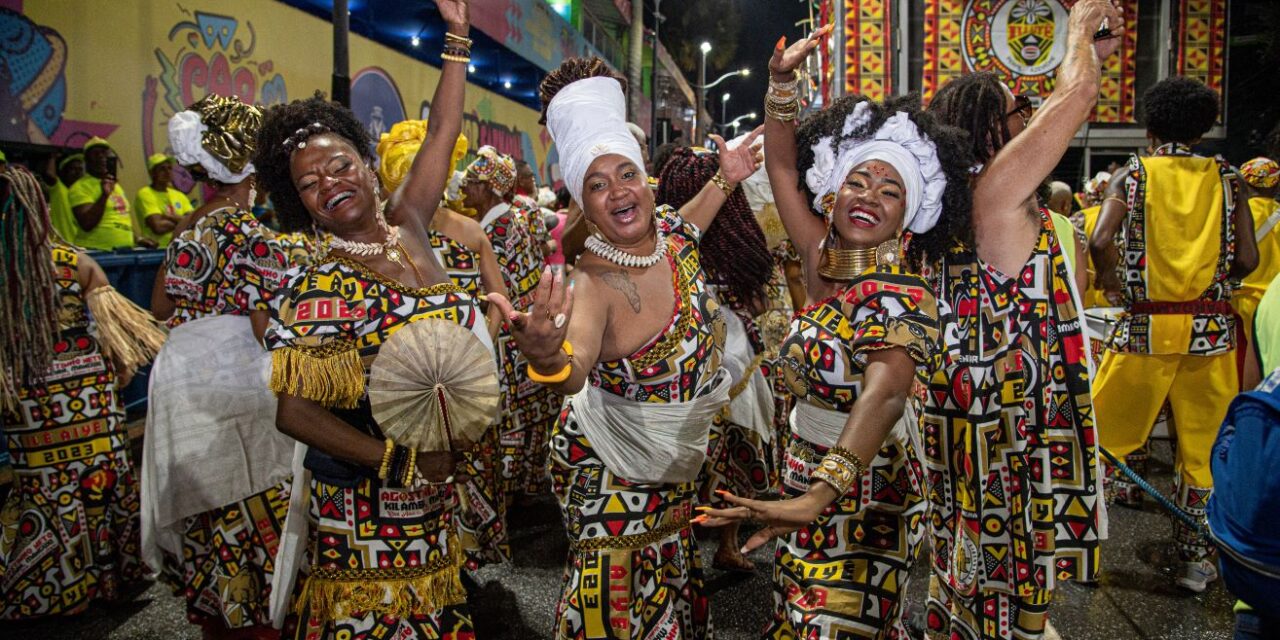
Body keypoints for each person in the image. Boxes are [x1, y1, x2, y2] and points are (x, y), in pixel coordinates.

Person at [702, 27, 976, 635]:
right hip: (801, 471)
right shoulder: (816, 255)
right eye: (857, 181)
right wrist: (780, 84)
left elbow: (885, 393)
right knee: (799, 615)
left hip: (869, 489)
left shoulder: (904, 296)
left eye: (890, 190)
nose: (869, 197)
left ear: (909, 214)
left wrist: (818, 497)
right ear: (833, 190)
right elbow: (778, 162)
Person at [487, 56, 762, 639]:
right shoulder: (593, 283)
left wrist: (728, 175)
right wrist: (544, 357)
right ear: (582, 205)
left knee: (666, 591)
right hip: (612, 482)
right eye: (597, 183)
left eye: (626, 174)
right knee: (615, 610)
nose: (617, 191)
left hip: (676, 480)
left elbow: (691, 221)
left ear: (646, 178)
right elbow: (573, 368)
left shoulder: (670, 238)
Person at [257, 4, 476, 637]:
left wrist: (457, 38)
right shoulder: (318, 283)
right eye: (308, 184)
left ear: (367, 162)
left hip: (435, 495)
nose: (329, 184)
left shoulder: (410, 226)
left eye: (339, 166)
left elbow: (440, 132)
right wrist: (398, 463)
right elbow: (293, 413)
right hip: (364, 501)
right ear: (300, 205)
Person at [924, 1, 1121, 636]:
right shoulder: (997, 187)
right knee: (1016, 544)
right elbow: (1080, 92)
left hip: (977, 403)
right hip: (1008, 412)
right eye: (1016, 111)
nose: (1028, 119)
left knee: (977, 539)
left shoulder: (957, 199)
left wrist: (1092, 50)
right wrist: (1081, 27)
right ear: (987, 132)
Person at [1091, 76, 1259, 592]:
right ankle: (1194, 563)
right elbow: (1248, 258)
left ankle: (1086, 556)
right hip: (1209, 335)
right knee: (1204, 452)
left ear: (1150, 124)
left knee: (1097, 440)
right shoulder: (1228, 179)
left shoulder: (1133, 175)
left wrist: (1113, 282)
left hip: (1145, 328)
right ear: (1205, 125)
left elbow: (1100, 240)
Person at [142, 94, 300, 638]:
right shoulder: (251, 232)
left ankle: (219, 607)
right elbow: (263, 325)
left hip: (184, 378)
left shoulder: (188, 225)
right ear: (251, 167)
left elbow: (162, 308)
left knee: (210, 504)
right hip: (236, 378)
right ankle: (260, 611)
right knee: (257, 493)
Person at [1, 165, 163, 619]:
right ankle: (113, 578)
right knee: (103, 480)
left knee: (44, 486)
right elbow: (117, 337)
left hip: (32, 396)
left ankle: (50, 586)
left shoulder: (6, 268)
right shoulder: (75, 262)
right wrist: (116, 374)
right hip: (89, 393)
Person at [376, 119, 512, 569]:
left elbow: (500, 300)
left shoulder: (471, 233)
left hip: (466, 383)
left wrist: (478, 350)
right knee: (418, 468)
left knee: (467, 466)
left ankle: (461, 558)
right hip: (407, 382)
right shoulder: (384, 238)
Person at [656, 146, 778, 573]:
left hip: (683, 375)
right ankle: (727, 543)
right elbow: (761, 303)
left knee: (685, 467)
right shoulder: (739, 238)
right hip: (736, 369)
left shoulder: (662, 245)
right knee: (731, 461)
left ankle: (678, 548)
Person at [460, 145, 559, 500]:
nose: (464, 189)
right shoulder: (522, 213)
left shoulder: (493, 230)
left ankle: (511, 490)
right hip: (531, 330)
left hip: (507, 335)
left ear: (490, 187)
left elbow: (493, 292)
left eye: (472, 182)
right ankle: (531, 485)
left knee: (511, 416)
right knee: (532, 413)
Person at [1233, 157, 1280, 389]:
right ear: (1275, 186)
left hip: (1237, 299)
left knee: (1238, 360)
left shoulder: (1235, 215)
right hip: (1271, 302)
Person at [68, 137, 141, 250]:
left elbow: (122, 219)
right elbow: (87, 223)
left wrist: (138, 239)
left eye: (104, 153)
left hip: (124, 252)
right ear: (87, 160)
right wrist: (104, 196)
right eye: (96, 154)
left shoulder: (116, 186)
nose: (102, 157)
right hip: (97, 251)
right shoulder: (79, 187)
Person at [134, 154, 194, 247]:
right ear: (152, 173)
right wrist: (181, 221)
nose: (167, 172)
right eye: (162, 169)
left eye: (169, 168)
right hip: (157, 250)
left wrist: (170, 217)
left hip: (181, 248)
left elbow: (192, 222)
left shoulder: (179, 195)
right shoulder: (145, 193)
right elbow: (158, 227)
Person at [43, 152, 84, 244]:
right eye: (73, 169)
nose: (77, 172)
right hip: (62, 247)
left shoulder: (83, 194)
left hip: (82, 248)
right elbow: (49, 174)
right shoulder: (59, 189)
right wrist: (52, 156)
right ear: (64, 173)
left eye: (80, 169)